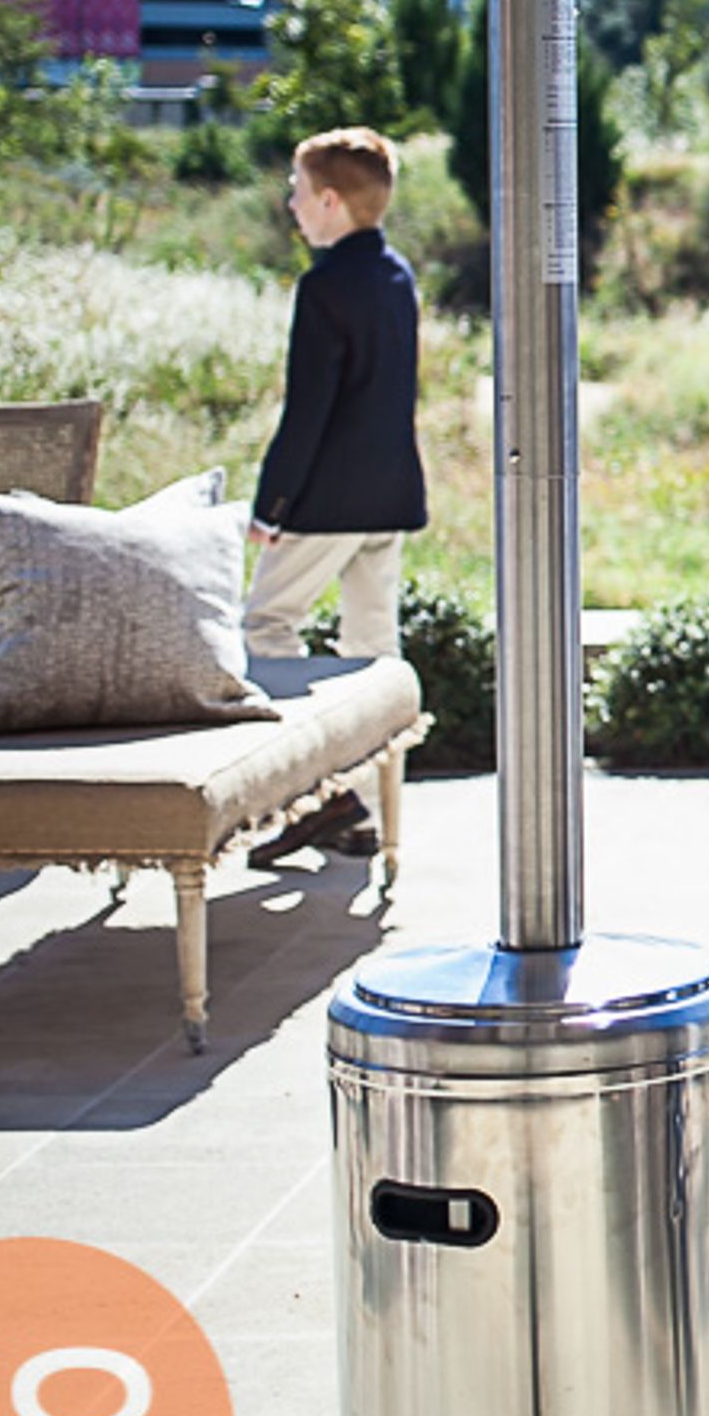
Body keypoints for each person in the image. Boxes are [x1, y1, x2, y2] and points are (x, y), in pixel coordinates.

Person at [246, 125, 427, 863]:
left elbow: (309, 410)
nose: (290, 206)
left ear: (329, 202)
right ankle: (370, 819)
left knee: (263, 628)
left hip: (329, 500)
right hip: (391, 495)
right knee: (374, 654)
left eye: (296, 193)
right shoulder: (397, 278)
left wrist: (271, 506)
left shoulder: (323, 288)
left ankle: (324, 795)